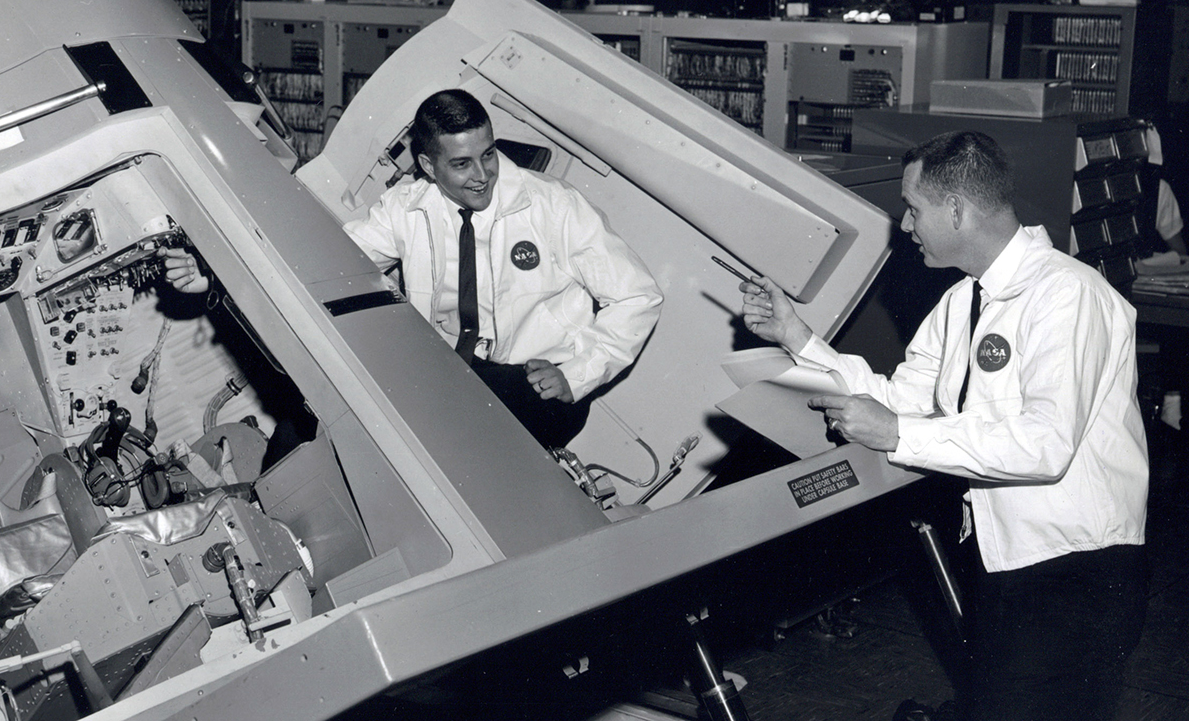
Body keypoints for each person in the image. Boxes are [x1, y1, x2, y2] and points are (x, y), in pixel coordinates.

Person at [739, 131, 1148, 721]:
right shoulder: (962, 303)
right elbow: (898, 398)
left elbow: (1045, 445)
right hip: (1006, 561)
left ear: (956, 208)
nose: (905, 226)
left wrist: (901, 435)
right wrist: (798, 339)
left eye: (914, 209)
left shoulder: (1068, 297)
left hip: (1076, 572)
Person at [342, 88, 662, 449]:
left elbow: (638, 295)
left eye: (489, 154)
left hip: (536, 380)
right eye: (462, 164)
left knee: (437, 427)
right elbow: (337, 263)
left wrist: (577, 374)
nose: (483, 175)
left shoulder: (553, 203)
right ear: (429, 166)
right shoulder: (404, 207)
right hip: (449, 371)